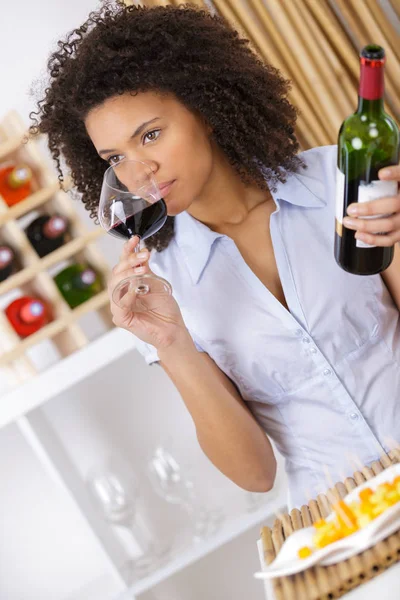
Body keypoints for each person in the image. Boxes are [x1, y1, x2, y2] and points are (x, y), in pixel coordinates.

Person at [30, 1, 400, 510]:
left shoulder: (338, 181)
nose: (139, 172)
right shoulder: (162, 287)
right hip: (341, 527)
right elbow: (254, 474)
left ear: (204, 107)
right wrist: (171, 341)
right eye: (116, 159)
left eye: (151, 134)